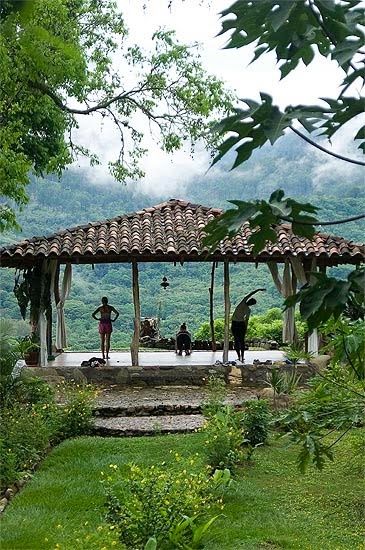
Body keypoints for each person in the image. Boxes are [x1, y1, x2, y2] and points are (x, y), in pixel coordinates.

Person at [231, 288, 266, 362]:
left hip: (235, 323)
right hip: (241, 324)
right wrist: (245, 328)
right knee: (241, 341)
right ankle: (242, 356)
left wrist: (258, 290)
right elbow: (246, 320)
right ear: (252, 304)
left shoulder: (242, 302)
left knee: (236, 341)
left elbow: (250, 294)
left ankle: (239, 356)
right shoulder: (248, 310)